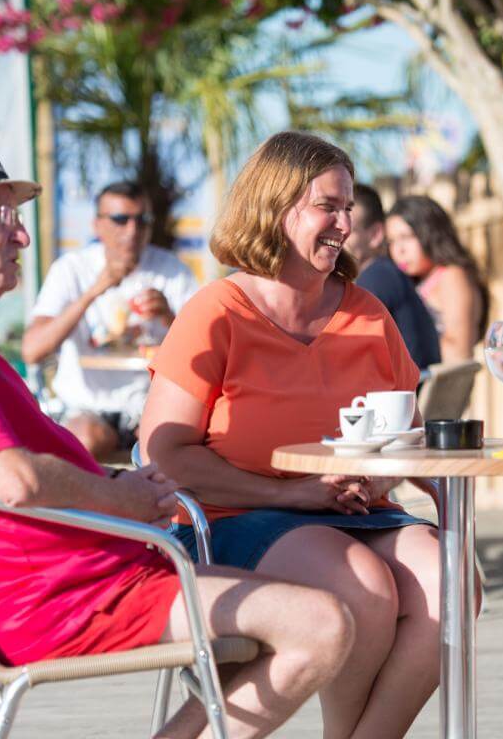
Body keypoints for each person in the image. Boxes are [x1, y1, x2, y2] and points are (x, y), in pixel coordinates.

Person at [0, 132, 353, 739]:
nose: (21, 235)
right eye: (1, 217)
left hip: (93, 575)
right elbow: (14, 479)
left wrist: (125, 485)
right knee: (322, 625)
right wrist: (126, 500)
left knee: (306, 607)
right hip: (69, 599)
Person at [141, 132, 448, 738]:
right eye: (328, 206)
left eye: (348, 208)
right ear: (275, 208)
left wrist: (440, 487)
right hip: (237, 517)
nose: (345, 223)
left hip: (358, 511)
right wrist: (296, 495)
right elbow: (165, 455)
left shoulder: (367, 312)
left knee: (449, 580)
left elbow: (407, 435)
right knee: (365, 585)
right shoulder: (217, 311)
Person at [21, 181, 198, 459]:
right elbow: (32, 350)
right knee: (87, 439)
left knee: (171, 446)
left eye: (143, 220)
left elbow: (202, 352)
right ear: (97, 225)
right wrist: (92, 292)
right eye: (120, 219)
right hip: (86, 407)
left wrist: (168, 316)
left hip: (148, 406)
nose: (132, 230)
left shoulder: (173, 271)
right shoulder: (72, 269)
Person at [346, 183, 440, 371]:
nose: (338, 235)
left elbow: (347, 355)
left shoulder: (375, 279)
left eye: (349, 229)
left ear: (375, 235)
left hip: (400, 396)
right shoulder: (388, 273)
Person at [385, 195, 488, 362]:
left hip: (442, 385)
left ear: (431, 232)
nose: (398, 250)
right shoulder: (419, 279)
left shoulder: (452, 276)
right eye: (391, 241)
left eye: (406, 237)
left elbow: (459, 353)